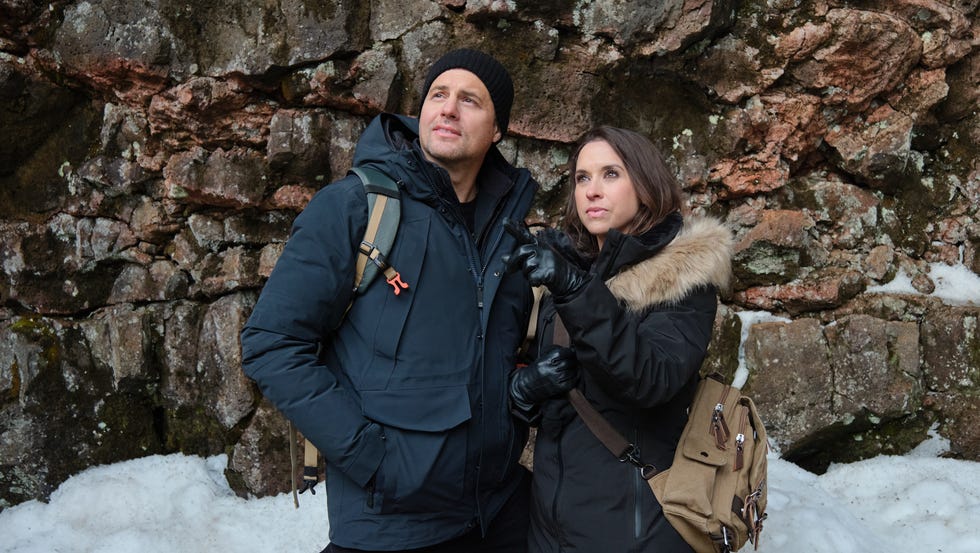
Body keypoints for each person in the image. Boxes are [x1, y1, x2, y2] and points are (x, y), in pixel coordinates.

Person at [240, 49, 540, 553]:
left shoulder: (510, 233)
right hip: (392, 521)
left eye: (470, 100)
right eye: (438, 95)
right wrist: (371, 460)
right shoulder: (355, 207)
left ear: (498, 132)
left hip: (497, 510)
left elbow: (492, 350)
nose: (447, 108)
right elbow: (271, 343)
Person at [503, 126, 734, 552]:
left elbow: (651, 379)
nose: (592, 190)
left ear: (645, 184)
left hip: (635, 530)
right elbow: (567, 400)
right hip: (551, 526)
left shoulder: (682, 279)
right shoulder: (566, 273)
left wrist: (574, 290)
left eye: (611, 174)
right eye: (582, 178)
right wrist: (528, 388)